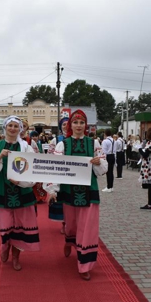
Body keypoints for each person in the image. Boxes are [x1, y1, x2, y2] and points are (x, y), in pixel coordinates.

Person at [46, 109, 108, 281]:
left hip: (90, 190)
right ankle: (69, 241)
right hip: (69, 190)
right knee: (72, 225)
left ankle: (84, 264)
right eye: (75, 122)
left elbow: (103, 168)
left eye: (81, 123)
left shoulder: (94, 143)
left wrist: (98, 162)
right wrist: (52, 190)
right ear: (70, 125)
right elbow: (56, 168)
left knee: (88, 227)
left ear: (85, 125)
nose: (79, 126)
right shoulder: (62, 145)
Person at [0, 115, 40, 271]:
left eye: (16, 126)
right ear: (5, 127)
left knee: (20, 227)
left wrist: (21, 181)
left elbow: (34, 171)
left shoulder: (26, 147)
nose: (13, 128)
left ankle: (16, 256)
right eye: (10, 126)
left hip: (23, 191)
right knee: (6, 225)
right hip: (3, 190)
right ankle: (5, 245)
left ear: (20, 129)